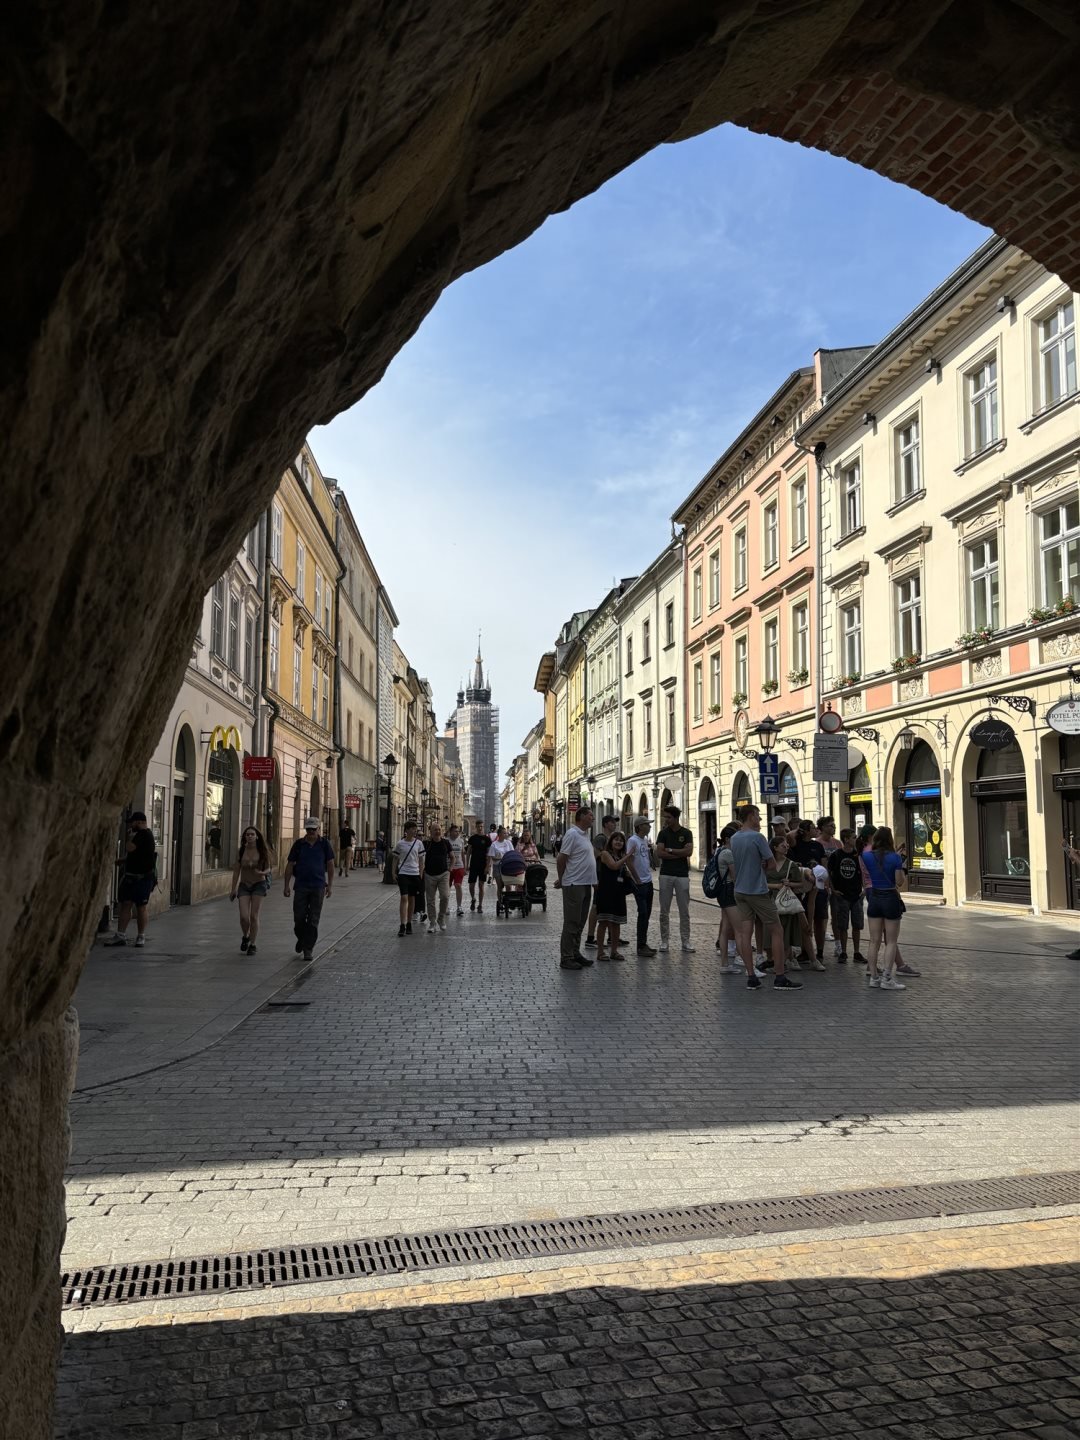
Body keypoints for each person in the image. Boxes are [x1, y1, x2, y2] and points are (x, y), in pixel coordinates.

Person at [730, 805, 802, 991]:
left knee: (746, 933)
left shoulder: (735, 837)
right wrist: (762, 865)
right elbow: (771, 864)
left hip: (740, 890)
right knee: (777, 930)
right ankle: (780, 976)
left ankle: (751, 977)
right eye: (758, 816)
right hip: (757, 890)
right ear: (751, 816)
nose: (760, 820)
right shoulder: (758, 838)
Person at [862, 825, 908, 989]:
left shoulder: (866, 856)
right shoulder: (895, 858)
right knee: (891, 941)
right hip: (890, 897)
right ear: (890, 840)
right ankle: (887, 978)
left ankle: (874, 977)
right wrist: (901, 864)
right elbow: (899, 882)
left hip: (874, 896)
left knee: (874, 940)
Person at [104, 811, 158, 948]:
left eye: (133, 823)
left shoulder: (143, 835)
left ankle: (140, 936)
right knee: (126, 904)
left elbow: (130, 847)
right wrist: (122, 860)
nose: (131, 825)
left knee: (140, 907)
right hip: (132, 876)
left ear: (139, 822)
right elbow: (136, 855)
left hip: (142, 878)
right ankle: (121, 935)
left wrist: (129, 836)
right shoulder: (142, 835)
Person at [283, 817, 335, 961]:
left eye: (314, 829)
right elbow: (290, 865)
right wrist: (286, 885)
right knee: (298, 918)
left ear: (319, 829)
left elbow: (330, 865)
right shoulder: (299, 844)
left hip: (318, 886)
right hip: (301, 886)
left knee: (313, 919)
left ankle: (308, 949)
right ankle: (302, 938)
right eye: (308, 829)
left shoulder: (324, 844)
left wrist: (330, 885)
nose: (311, 831)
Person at [554, 805, 597, 971]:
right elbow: (561, 859)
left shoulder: (585, 835)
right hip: (574, 884)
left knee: (580, 922)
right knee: (571, 922)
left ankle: (575, 953)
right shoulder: (572, 834)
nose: (593, 818)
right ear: (582, 817)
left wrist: (594, 881)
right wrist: (562, 879)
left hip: (585, 884)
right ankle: (566, 957)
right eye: (590, 815)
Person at [766, 835, 813, 972]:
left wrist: (789, 883)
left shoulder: (791, 864)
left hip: (785, 902)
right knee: (770, 933)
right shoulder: (768, 863)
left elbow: (799, 883)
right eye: (783, 846)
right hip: (770, 900)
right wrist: (775, 886)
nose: (786, 847)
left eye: (787, 845)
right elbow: (761, 882)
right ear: (775, 848)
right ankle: (773, 961)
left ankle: (782, 963)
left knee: (785, 933)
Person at [655, 805, 695, 954]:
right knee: (664, 910)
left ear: (675, 818)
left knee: (684, 910)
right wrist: (680, 854)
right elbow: (659, 853)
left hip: (682, 875)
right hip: (666, 874)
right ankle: (664, 940)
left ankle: (686, 940)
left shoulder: (687, 833)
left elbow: (689, 851)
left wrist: (670, 850)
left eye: (668, 817)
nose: (666, 820)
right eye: (665, 817)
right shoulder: (663, 833)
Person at [230, 825, 274, 954]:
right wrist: (233, 889)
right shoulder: (241, 851)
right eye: (247, 834)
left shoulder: (262, 851)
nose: (249, 836)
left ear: (257, 837)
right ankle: (246, 936)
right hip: (244, 885)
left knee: (253, 916)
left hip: (259, 885)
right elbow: (236, 870)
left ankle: (253, 944)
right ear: (244, 837)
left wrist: (262, 872)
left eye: (252, 834)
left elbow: (269, 868)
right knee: (244, 917)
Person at [714, 823, 750, 975]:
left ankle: (724, 964)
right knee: (739, 930)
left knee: (725, 929)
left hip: (723, 892)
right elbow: (735, 876)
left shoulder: (719, 851)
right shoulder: (728, 853)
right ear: (728, 839)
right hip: (730, 891)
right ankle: (747, 963)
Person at [789, 820, 826, 963]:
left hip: (817, 883)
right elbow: (788, 836)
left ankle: (819, 951)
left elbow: (824, 865)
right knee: (801, 917)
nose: (816, 830)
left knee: (819, 918)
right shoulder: (795, 844)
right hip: (801, 884)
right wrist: (798, 830)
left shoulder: (817, 845)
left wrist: (824, 881)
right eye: (812, 828)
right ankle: (805, 950)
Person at [828, 829, 867, 964]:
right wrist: (833, 890)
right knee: (842, 925)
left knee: (857, 925)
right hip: (842, 895)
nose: (855, 839)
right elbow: (830, 873)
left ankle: (856, 952)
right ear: (846, 839)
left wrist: (864, 888)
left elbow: (863, 872)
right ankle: (843, 952)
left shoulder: (858, 856)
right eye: (853, 837)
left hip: (856, 894)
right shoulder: (836, 855)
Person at [594, 830, 635, 960]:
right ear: (610, 842)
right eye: (616, 839)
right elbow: (614, 866)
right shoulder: (605, 854)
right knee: (604, 922)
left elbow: (622, 869)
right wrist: (627, 856)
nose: (618, 842)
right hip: (606, 892)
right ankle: (600, 952)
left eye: (621, 840)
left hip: (618, 893)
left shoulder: (620, 856)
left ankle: (614, 951)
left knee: (616, 922)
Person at [625, 815, 657, 957]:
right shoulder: (633, 841)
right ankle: (640, 946)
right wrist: (637, 879)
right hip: (640, 883)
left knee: (647, 914)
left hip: (648, 882)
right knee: (643, 913)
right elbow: (629, 861)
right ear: (640, 826)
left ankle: (643, 943)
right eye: (647, 824)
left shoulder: (643, 840)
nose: (649, 826)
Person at [585, 814, 618, 948]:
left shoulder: (612, 839)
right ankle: (590, 938)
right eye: (611, 822)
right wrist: (607, 856)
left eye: (614, 822)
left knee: (609, 905)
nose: (614, 824)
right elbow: (593, 854)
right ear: (605, 824)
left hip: (609, 875)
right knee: (596, 905)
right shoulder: (600, 838)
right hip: (600, 875)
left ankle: (611, 937)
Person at [392, 820, 425, 936]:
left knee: (412, 899)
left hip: (415, 874)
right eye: (412, 829)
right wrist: (393, 872)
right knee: (404, 898)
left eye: (415, 829)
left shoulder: (419, 844)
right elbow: (395, 858)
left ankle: (409, 923)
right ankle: (402, 924)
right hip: (403, 873)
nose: (414, 831)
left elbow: (421, 860)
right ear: (406, 830)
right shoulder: (400, 843)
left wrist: (420, 874)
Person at [421, 821, 452, 933]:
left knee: (445, 896)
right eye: (435, 830)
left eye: (439, 829)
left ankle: (441, 918)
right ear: (430, 832)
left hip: (443, 874)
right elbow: (419, 856)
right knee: (430, 900)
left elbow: (452, 857)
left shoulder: (446, 843)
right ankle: (432, 922)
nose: (437, 832)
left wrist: (450, 869)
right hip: (429, 874)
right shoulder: (426, 844)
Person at [466, 820, 491, 912]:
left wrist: (487, 866)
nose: (480, 828)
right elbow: (468, 852)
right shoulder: (472, 838)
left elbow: (489, 854)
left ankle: (480, 905)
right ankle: (473, 898)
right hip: (473, 864)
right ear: (476, 827)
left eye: (481, 826)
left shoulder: (487, 839)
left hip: (483, 865)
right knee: (471, 885)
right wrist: (466, 864)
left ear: (483, 827)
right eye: (478, 826)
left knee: (481, 885)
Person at [447, 823, 467, 915]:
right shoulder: (446, 841)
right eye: (455, 831)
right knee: (447, 887)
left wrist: (465, 867)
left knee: (458, 885)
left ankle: (459, 907)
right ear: (450, 832)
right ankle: (446, 906)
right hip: (448, 867)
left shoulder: (461, 841)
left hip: (459, 866)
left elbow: (463, 854)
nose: (457, 833)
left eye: (458, 831)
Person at [488, 825, 512, 902]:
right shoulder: (494, 844)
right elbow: (492, 857)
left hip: (507, 866)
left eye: (506, 833)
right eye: (504, 833)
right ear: (499, 834)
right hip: (497, 867)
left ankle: (508, 902)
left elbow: (512, 853)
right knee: (500, 886)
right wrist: (500, 858)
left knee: (508, 886)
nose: (506, 834)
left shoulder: (508, 843)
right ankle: (500, 902)